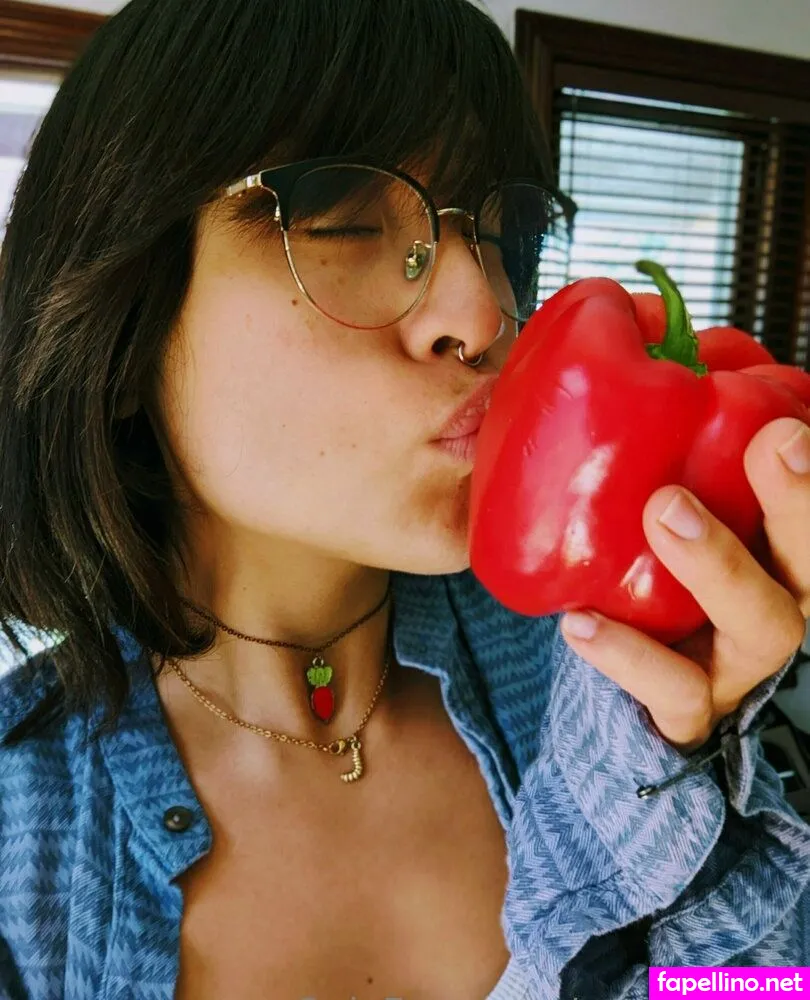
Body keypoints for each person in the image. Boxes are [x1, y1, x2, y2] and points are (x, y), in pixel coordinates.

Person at [0, 0, 808, 997]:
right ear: (121, 333)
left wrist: (675, 782)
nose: (486, 312)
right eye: (344, 220)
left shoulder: (613, 683)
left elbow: (768, 989)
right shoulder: (22, 835)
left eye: (498, 235)